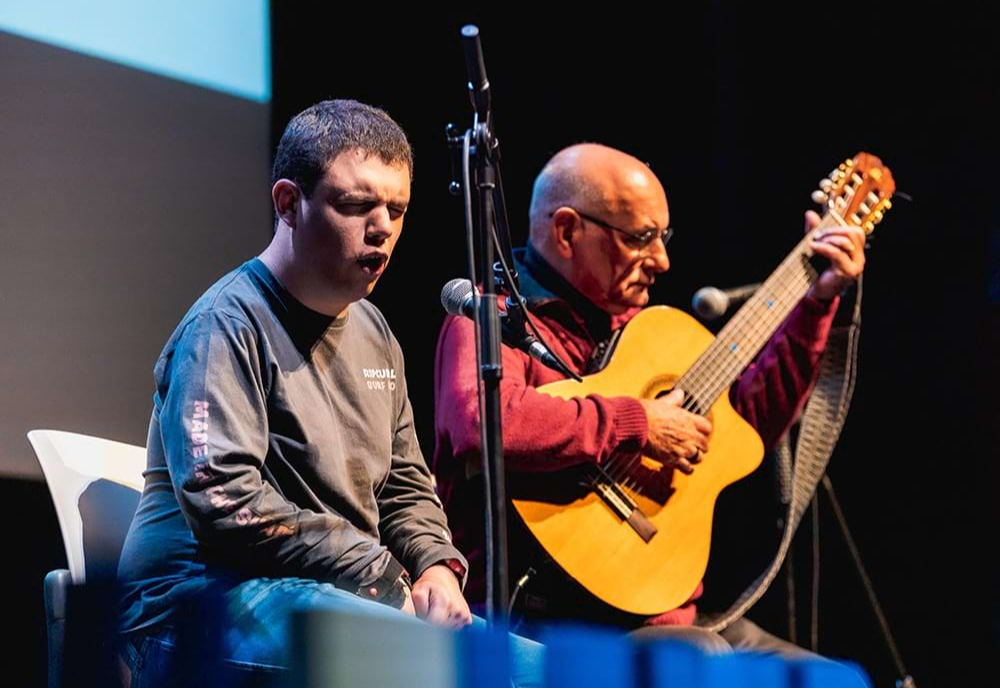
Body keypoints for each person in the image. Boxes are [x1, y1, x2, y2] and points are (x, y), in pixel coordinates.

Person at [117, 99, 541, 687]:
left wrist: (436, 565)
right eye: (356, 205)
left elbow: (404, 484)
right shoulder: (224, 324)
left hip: (337, 593)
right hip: (199, 605)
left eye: (397, 209)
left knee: (538, 671)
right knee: (437, 670)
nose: (383, 228)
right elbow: (225, 501)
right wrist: (386, 576)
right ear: (289, 203)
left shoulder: (374, 331)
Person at [433, 143, 867, 657]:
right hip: (549, 622)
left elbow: (746, 427)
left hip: (668, 611)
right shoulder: (491, 318)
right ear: (568, 231)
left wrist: (816, 302)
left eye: (664, 236)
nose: (662, 260)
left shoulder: (645, 330)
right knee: (699, 659)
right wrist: (639, 421)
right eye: (641, 238)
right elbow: (480, 422)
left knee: (832, 678)